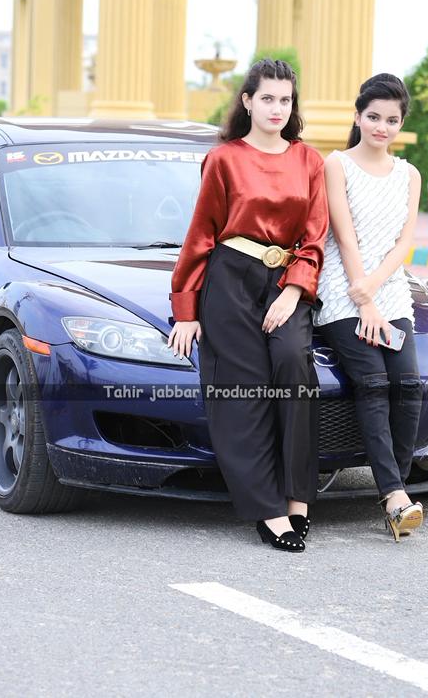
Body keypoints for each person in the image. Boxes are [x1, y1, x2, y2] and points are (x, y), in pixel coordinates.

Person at [167, 58, 328, 553]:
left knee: (293, 365)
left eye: (286, 100)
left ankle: (298, 498)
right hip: (230, 280)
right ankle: (269, 511)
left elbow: (315, 237)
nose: (277, 108)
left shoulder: (309, 161)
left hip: (287, 280)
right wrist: (186, 311)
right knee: (244, 389)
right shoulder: (223, 160)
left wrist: (293, 290)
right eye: (268, 99)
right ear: (248, 102)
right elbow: (201, 235)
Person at [314, 73, 425, 542]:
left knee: (409, 386)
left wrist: (376, 290)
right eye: (374, 117)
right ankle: (396, 497)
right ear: (357, 116)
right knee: (374, 383)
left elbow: (405, 242)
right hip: (343, 288)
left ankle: (394, 489)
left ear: (400, 124)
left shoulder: (409, 174)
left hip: (389, 288)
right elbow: (344, 235)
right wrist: (362, 295)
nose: (382, 127)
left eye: (391, 120)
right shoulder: (336, 164)